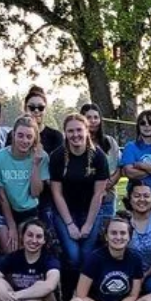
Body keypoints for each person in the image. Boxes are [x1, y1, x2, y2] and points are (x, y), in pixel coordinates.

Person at [68, 216, 151, 301]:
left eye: (123, 233)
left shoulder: (135, 258)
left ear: (129, 237)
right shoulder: (94, 258)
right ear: (106, 236)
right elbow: (81, 294)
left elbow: (134, 295)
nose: (118, 237)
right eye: (113, 233)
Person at [49, 113, 110, 279]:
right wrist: (70, 224)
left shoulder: (98, 156)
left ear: (87, 131)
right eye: (70, 131)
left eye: (79, 130)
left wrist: (89, 225)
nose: (75, 135)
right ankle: (69, 291)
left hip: (90, 210)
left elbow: (99, 193)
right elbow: (56, 193)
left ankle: (84, 295)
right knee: (73, 255)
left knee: (86, 255)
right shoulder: (57, 156)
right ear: (65, 133)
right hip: (64, 212)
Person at [0, 116, 48, 254]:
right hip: (6, 211)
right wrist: (11, 227)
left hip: (29, 210)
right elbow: (2, 196)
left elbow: (35, 193)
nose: (24, 141)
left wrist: (35, 164)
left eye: (29, 137)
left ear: (34, 139)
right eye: (20, 135)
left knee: (26, 253)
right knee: (11, 252)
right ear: (13, 135)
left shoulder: (42, 157)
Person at [82, 102, 122, 221]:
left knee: (108, 234)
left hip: (107, 198)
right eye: (88, 117)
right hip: (84, 199)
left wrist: (108, 183)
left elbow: (119, 167)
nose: (93, 121)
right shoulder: (77, 143)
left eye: (96, 117)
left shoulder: (109, 142)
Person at [24, 86, 64, 154]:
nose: (36, 111)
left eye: (41, 107)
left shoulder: (56, 137)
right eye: (32, 107)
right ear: (25, 108)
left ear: (45, 110)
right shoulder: (14, 135)